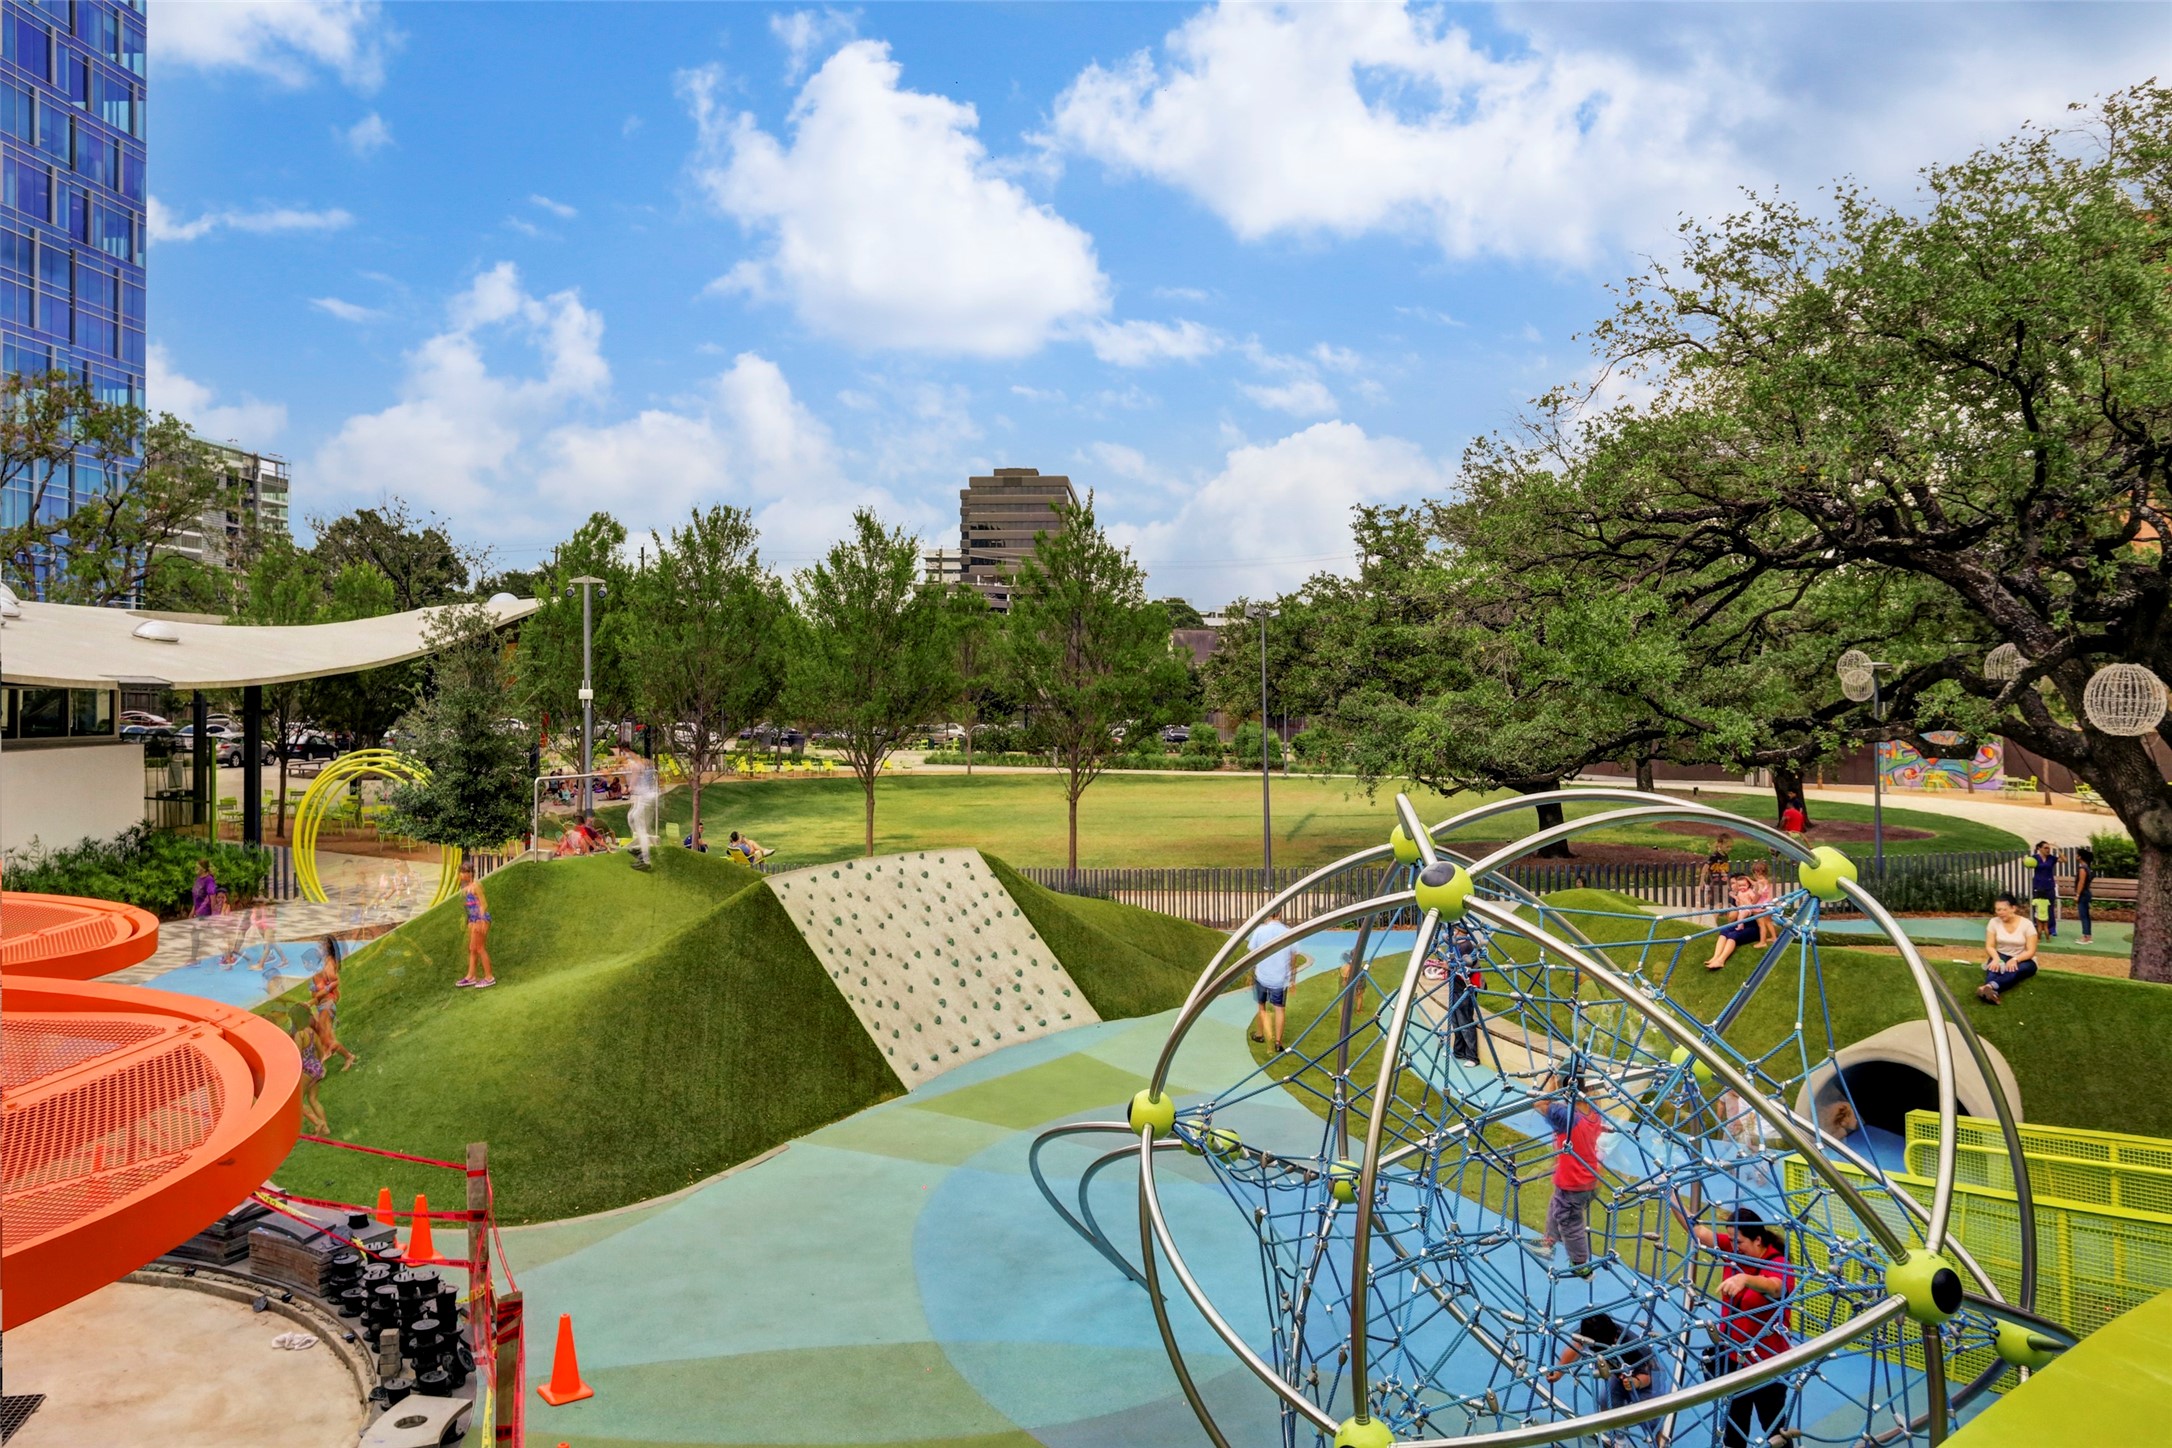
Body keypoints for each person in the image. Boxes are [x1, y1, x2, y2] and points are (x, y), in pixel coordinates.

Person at [1692, 1208, 1795, 1448]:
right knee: (1734, 1428)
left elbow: (1774, 1286)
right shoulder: (1734, 1251)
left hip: (1767, 1363)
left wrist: (1745, 1279)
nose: (1733, 1245)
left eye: (1738, 1241)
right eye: (1731, 1241)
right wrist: (1671, 1191)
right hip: (1734, 1358)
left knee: (1774, 1429)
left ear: (1757, 1240)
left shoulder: (1779, 1262)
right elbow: (1698, 1231)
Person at [1534, 1069, 1606, 1277]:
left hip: (1575, 1182)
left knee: (1569, 1222)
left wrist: (1552, 1085)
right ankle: (1548, 1242)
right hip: (1588, 1177)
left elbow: (1539, 1104)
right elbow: (1590, 1093)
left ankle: (1581, 1264)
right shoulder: (1593, 1109)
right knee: (1557, 1205)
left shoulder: (1566, 1116)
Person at [1548, 1312, 1656, 1412]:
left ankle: (1657, 1432)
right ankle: (1612, 1430)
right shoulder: (1594, 1334)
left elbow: (1646, 1376)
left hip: (1644, 1376)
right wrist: (1559, 1371)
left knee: (1647, 1410)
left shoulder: (1631, 1347)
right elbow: (1576, 1346)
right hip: (1618, 1372)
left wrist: (1636, 1382)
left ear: (1614, 1339)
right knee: (1606, 1401)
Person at [1247, 911, 1300, 1052]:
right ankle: (1278, 1042)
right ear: (1280, 914)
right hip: (1280, 978)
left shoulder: (1260, 931)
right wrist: (1292, 978)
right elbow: (1293, 957)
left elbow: (1253, 954)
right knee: (1279, 1009)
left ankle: (1260, 1034)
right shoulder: (1288, 932)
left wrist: (1250, 972)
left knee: (1261, 1007)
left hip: (1262, 975)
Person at [1978, 892, 2039, 1005]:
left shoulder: (2027, 924)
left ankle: (1988, 987)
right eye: (1997, 910)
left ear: (2013, 908)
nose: (2000, 913)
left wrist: (2016, 959)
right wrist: (1996, 958)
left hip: (2023, 958)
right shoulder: (1993, 922)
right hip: (2001, 954)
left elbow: (2031, 950)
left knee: (2013, 970)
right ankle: (1991, 991)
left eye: (2003, 909)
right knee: (1993, 968)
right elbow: (1989, 946)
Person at [308, 936, 358, 1072]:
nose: (318, 948)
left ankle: (345, 1056)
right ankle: (331, 1052)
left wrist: (323, 991)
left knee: (326, 1036)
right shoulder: (326, 961)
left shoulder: (329, 963)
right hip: (325, 1004)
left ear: (326, 948)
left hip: (327, 1004)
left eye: (320, 946)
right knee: (320, 1030)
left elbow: (335, 981)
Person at [1703, 875, 1763, 972]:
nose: (1734, 886)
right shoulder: (1740, 894)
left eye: (1734, 883)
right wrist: (1737, 900)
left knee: (1733, 935)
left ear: (1749, 884)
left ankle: (1721, 960)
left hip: (1753, 927)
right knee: (1724, 930)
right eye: (1736, 885)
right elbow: (1734, 914)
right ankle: (1715, 957)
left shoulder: (1753, 894)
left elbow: (1755, 904)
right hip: (1742, 923)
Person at [289, 1006, 330, 1133]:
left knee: (296, 1102)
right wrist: (318, 1063)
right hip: (316, 1067)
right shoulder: (311, 1032)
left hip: (306, 1070)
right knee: (313, 1099)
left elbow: (298, 1057)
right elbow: (321, 1051)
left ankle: (319, 1123)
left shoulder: (299, 1035)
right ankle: (325, 1129)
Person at [456, 866, 495, 989]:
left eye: (463, 872)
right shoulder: (466, 888)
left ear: (470, 873)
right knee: (472, 948)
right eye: (460, 872)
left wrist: (481, 920)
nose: (461, 875)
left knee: (479, 948)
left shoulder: (476, 886)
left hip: (481, 919)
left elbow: (484, 904)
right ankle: (471, 976)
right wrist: (470, 921)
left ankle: (489, 977)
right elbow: (469, 907)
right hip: (474, 920)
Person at [627, 758, 660, 871]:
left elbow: (636, 774)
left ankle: (645, 859)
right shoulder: (638, 765)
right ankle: (639, 848)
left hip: (647, 797)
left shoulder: (637, 764)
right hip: (642, 796)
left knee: (640, 826)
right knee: (631, 817)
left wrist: (631, 786)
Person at [2030, 841, 2060, 938]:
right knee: (2037, 907)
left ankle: (2051, 928)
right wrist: (2025, 859)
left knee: (2050, 907)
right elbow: (2027, 863)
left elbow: (2064, 860)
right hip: (2038, 886)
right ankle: (2037, 927)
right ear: (2039, 848)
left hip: (2049, 886)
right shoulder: (2035, 858)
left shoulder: (2051, 858)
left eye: (2048, 848)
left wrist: (2058, 849)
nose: (2048, 849)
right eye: (2045, 848)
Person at [1748, 859, 1777, 947]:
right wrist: (1748, 879)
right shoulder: (1766, 881)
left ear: (1756, 872)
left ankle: (1762, 942)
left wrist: (1752, 904)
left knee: (1761, 924)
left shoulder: (1758, 883)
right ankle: (1774, 938)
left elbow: (1758, 894)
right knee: (1768, 922)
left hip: (1758, 906)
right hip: (1767, 904)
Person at [1703, 833, 1734, 914]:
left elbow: (1723, 870)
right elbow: (1706, 867)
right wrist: (1702, 880)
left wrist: (1727, 880)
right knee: (1715, 902)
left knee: (1723, 901)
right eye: (1727, 847)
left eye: (1731, 847)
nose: (1729, 849)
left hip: (1722, 881)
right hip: (1714, 881)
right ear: (1720, 844)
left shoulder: (1725, 856)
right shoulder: (1714, 856)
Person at [2074, 846, 2095, 945]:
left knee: (2083, 915)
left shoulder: (2082, 868)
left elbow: (2081, 882)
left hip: (2083, 894)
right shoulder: (2087, 867)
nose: (2075, 856)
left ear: (2080, 857)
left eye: (2077, 854)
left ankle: (2086, 936)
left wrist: (2077, 895)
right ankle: (2087, 935)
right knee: (2086, 915)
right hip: (2086, 893)